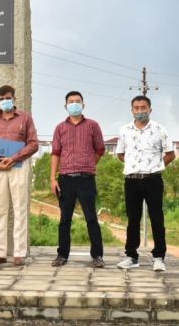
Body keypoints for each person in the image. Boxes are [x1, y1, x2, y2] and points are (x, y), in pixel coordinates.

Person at [115, 95, 175, 271]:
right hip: (132, 180)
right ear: (132, 110)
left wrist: (155, 165)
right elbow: (120, 154)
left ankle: (159, 257)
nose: (140, 111)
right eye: (136, 108)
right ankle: (131, 256)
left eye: (143, 107)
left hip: (153, 180)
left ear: (150, 109)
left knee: (157, 218)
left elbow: (170, 154)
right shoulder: (125, 130)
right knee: (133, 219)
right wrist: (134, 164)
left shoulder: (160, 129)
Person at [0, 84, 38, 266]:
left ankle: (19, 253)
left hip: (19, 166)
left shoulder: (25, 118)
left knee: (20, 208)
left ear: (14, 99)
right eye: (1, 99)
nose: (5, 101)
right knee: (0, 209)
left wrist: (13, 159)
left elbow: (33, 144)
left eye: (8, 97)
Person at [49, 91, 106, 268]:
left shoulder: (92, 126)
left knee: (91, 218)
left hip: (86, 179)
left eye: (78, 101)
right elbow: (56, 153)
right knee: (65, 219)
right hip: (65, 179)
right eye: (71, 102)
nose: (74, 104)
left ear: (83, 104)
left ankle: (97, 256)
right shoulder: (60, 128)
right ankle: (62, 255)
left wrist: (89, 164)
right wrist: (53, 178)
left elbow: (100, 149)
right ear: (66, 106)